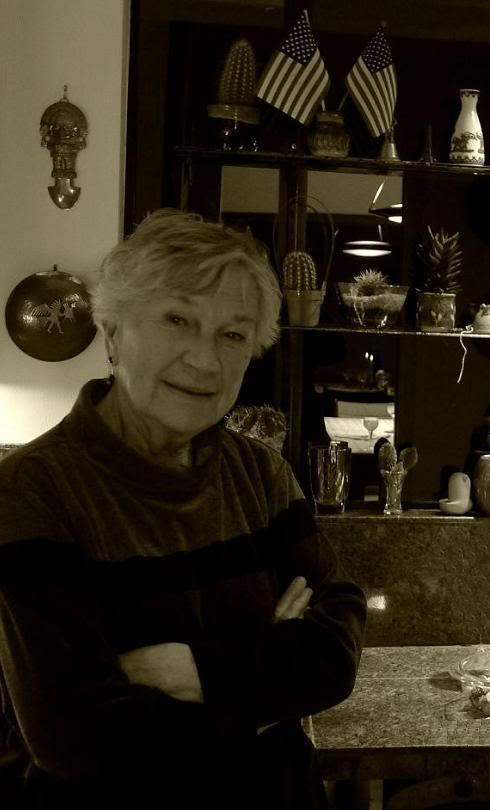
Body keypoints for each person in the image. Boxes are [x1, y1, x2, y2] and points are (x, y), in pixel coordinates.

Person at [0, 210, 366, 809]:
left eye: (232, 335)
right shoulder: (31, 492)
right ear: (112, 333)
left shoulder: (262, 474)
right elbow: (75, 735)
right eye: (177, 320)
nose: (205, 360)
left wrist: (196, 673)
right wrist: (265, 697)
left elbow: (337, 648)